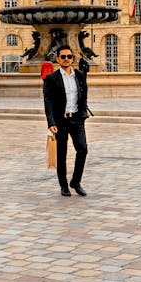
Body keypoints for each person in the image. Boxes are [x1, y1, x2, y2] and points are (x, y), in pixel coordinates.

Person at [43, 46, 90, 197]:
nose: (66, 59)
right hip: (61, 120)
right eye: (63, 57)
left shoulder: (79, 75)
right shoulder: (52, 78)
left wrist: (83, 112)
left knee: (82, 149)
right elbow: (48, 101)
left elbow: (84, 93)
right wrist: (51, 122)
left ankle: (76, 182)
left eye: (69, 57)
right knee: (62, 154)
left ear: (72, 59)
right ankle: (63, 185)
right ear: (57, 59)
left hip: (76, 119)